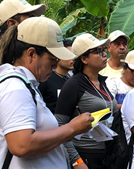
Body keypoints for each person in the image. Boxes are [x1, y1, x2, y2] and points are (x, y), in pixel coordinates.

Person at [0, 17, 94, 168]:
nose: (55, 64)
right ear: (31, 54)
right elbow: (21, 145)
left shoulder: (26, 84)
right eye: (52, 58)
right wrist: (72, 128)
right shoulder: (15, 86)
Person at [54, 33, 117, 169]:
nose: (104, 54)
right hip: (85, 154)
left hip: (106, 154)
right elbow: (60, 124)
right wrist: (77, 162)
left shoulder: (102, 82)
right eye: (98, 51)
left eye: (103, 50)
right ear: (84, 59)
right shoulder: (74, 84)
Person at [38, 39, 74, 114]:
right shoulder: (45, 79)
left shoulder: (72, 80)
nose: (73, 59)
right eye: (69, 54)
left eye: (74, 55)